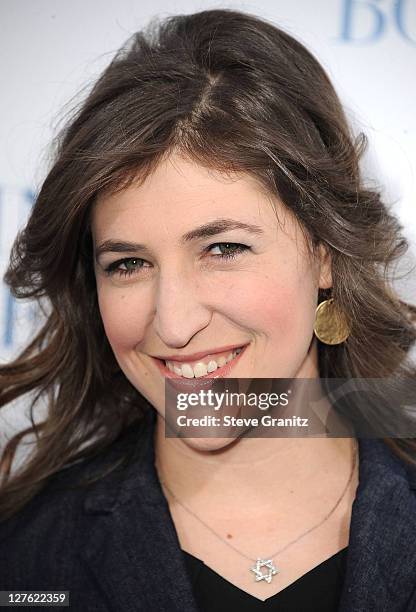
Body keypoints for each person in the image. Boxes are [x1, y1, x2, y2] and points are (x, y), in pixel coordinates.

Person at [1, 8, 416, 611]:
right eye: (128, 264)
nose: (172, 323)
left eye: (223, 249)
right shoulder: (27, 559)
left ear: (325, 255)